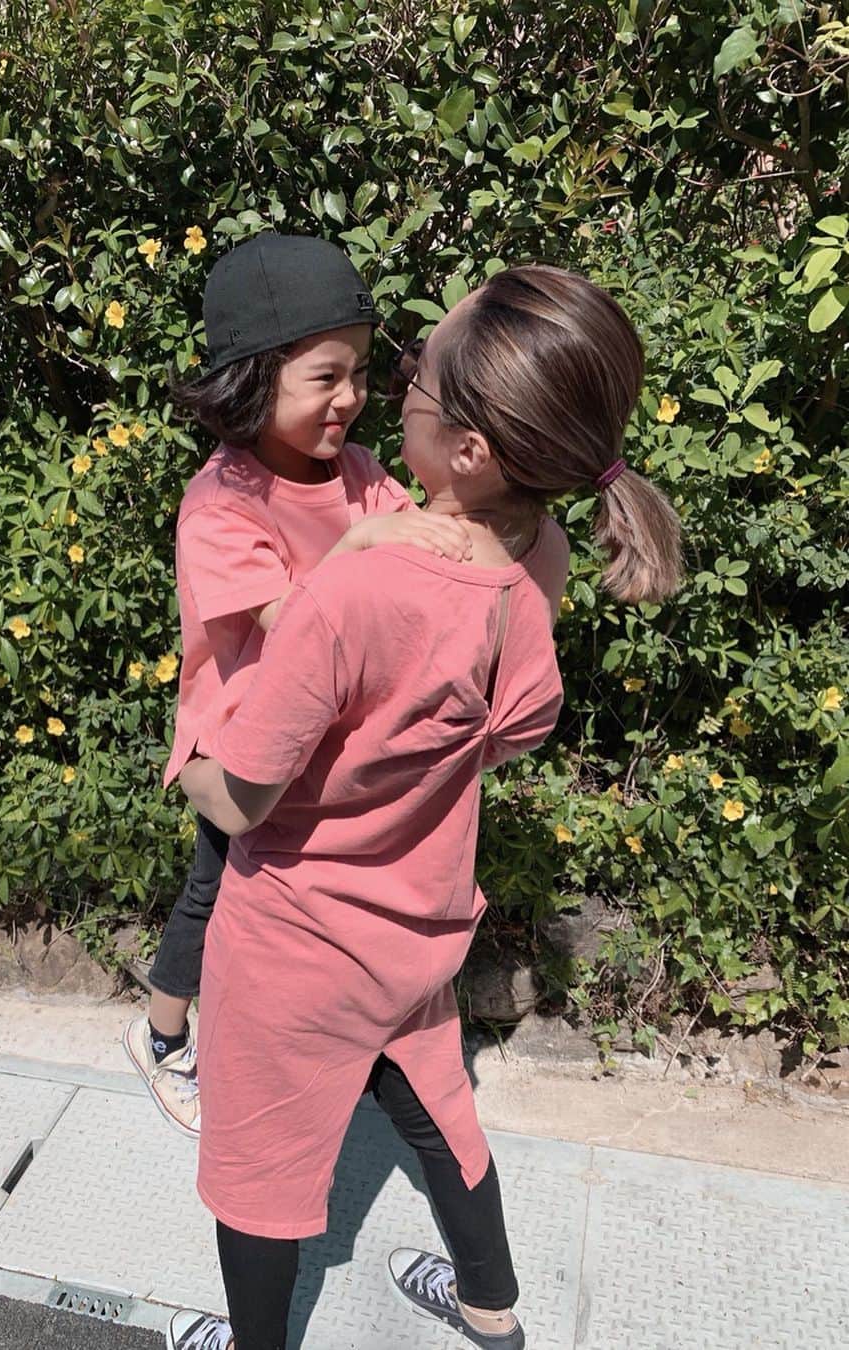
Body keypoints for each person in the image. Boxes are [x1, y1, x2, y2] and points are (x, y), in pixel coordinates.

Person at [164, 265, 683, 1350]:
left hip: (298, 938)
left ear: (471, 450)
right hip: (423, 914)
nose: (392, 389)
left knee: (260, 1172)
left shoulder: (352, 593)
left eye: (414, 376)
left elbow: (244, 800)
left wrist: (191, 752)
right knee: (435, 1104)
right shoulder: (540, 552)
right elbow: (507, 722)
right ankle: (491, 1309)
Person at [123, 234, 475, 1137]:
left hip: (320, 741)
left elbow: (415, 560)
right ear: (253, 379)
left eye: (358, 373)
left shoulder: (357, 474)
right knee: (214, 891)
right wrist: (364, 544)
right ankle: (162, 1036)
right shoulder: (221, 506)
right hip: (240, 743)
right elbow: (301, 633)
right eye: (325, 377)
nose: (350, 398)